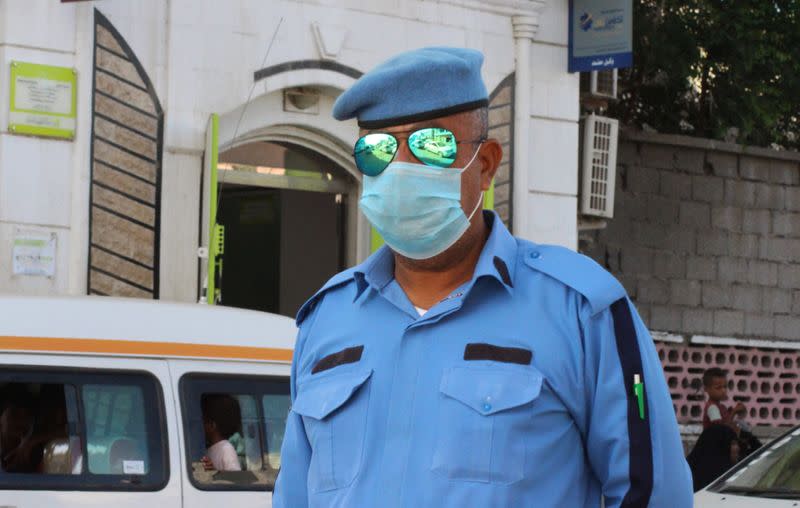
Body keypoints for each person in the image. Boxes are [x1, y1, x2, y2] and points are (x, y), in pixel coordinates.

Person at [273, 47, 693, 507]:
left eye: (431, 145)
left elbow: (652, 495)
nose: (400, 169)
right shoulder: (326, 322)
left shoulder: (581, 310)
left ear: (487, 164)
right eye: (378, 150)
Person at [687, 424, 739, 491]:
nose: (738, 448)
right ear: (721, 447)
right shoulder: (723, 481)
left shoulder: (688, 471)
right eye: (733, 444)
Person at [200, 394, 242, 471]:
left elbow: (235, 478)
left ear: (212, 425)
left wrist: (214, 471)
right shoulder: (208, 449)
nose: (201, 426)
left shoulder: (226, 449)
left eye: (204, 422)